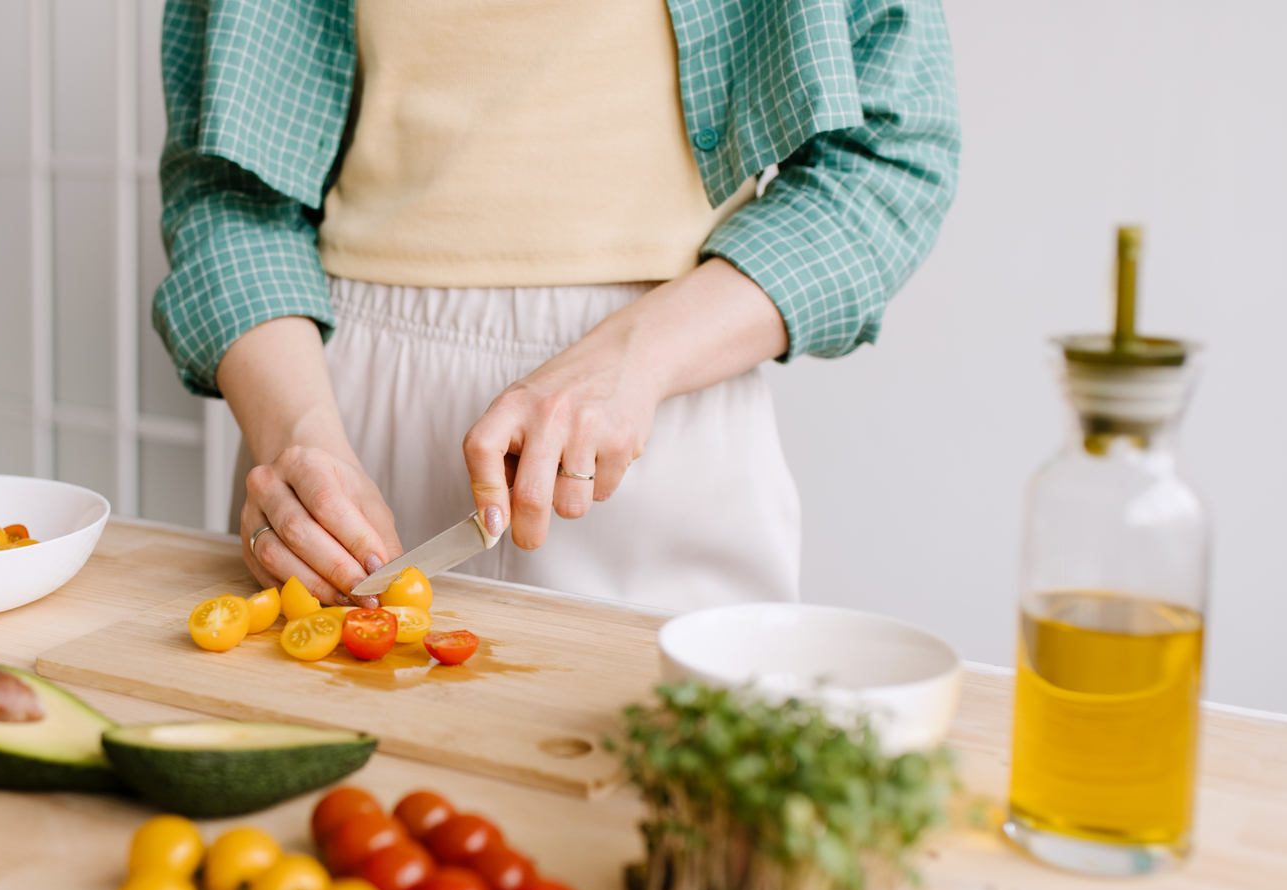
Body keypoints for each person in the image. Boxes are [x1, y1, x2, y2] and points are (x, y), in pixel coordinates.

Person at [154, 0, 959, 610]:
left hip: (662, 405)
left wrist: (638, 356)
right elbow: (224, 185)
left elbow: (892, 150)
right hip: (335, 404)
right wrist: (297, 437)